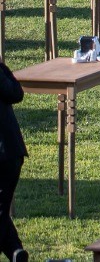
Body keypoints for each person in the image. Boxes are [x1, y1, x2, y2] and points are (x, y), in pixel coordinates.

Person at [0, 56, 23, 261]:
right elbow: (16, 92)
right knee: (0, 210)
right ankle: (16, 252)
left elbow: (16, 94)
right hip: (12, 152)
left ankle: (15, 251)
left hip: (6, 152)